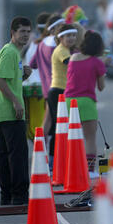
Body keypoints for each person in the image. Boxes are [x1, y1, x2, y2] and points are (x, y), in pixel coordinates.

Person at [0, 16, 33, 205]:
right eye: (22, 31)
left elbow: (9, 80)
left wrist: (23, 76)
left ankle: (7, 197)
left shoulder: (13, 53)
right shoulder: (10, 52)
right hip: (9, 112)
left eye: (28, 32)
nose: (25, 35)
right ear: (12, 33)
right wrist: (16, 102)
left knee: (6, 155)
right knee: (17, 155)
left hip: (5, 111)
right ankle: (19, 196)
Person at [64, 30, 107, 178]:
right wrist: (102, 71)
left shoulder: (73, 57)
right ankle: (89, 170)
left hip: (69, 101)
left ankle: (71, 168)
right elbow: (101, 87)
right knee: (89, 138)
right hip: (87, 101)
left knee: (71, 137)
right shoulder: (97, 63)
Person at [30, 14, 64, 169]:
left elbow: (33, 64)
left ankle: (41, 157)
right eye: (61, 25)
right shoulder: (55, 46)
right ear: (54, 28)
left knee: (47, 123)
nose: (64, 28)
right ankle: (51, 160)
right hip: (57, 88)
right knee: (57, 125)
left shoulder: (41, 43)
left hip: (46, 89)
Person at [48, 24, 77, 165]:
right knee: (57, 127)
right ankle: (53, 160)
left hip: (63, 91)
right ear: (60, 38)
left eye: (73, 35)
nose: (71, 38)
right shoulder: (61, 50)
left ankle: (60, 158)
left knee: (61, 127)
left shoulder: (67, 50)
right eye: (68, 36)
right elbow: (72, 64)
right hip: (58, 92)